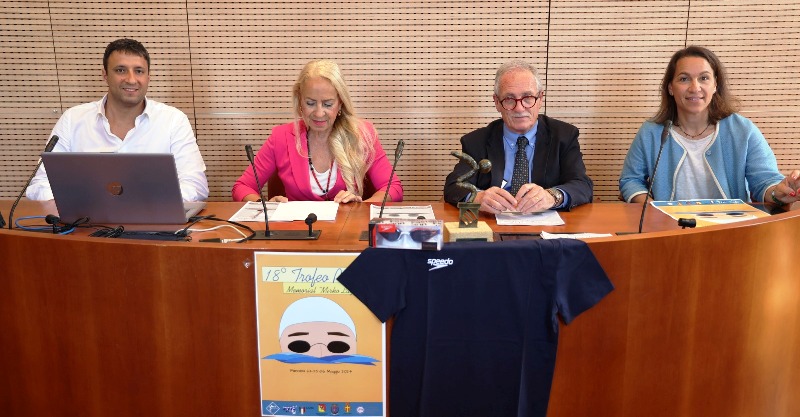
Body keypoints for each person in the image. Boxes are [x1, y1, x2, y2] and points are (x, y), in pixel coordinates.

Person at [26, 38, 208, 202]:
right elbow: (40, 184)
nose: (131, 79)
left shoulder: (173, 120)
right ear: (105, 75)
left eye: (139, 71)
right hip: (87, 222)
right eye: (121, 70)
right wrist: (80, 204)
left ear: (148, 77)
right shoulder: (72, 120)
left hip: (154, 223)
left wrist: (143, 204)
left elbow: (195, 186)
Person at [619, 45, 800, 206]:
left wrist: (779, 192)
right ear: (670, 88)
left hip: (729, 227)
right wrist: (653, 209)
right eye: (684, 79)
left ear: (715, 85)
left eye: (704, 78)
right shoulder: (651, 132)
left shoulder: (742, 130)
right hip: (668, 227)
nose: (694, 87)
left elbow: (765, 181)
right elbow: (630, 180)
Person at [231, 59, 402, 203]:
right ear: (299, 101)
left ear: (340, 103)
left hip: (347, 229)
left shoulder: (363, 135)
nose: (319, 113)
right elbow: (242, 187)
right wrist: (264, 206)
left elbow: (393, 188)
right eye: (310, 103)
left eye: (328, 104)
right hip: (298, 231)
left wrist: (362, 205)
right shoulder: (281, 137)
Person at [443, 60, 593, 213]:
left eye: (528, 97)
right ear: (497, 102)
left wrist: (552, 196)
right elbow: (454, 186)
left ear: (540, 99)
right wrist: (477, 197)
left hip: (546, 224)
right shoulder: (476, 142)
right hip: (493, 222)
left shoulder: (564, 136)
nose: (520, 108)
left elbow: (582, 185)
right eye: (509, 99)